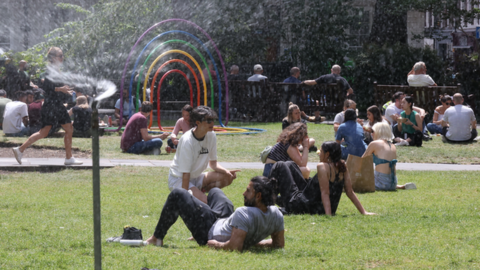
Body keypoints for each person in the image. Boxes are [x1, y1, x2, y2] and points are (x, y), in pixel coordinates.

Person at [145, 176, 285, 251]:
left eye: (248, 191)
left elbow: (234, 248)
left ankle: (157, 238)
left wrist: (217, 245)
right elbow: (278, 244)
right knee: (215, 192)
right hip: (224, 221)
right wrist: (254, 242)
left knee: (178, 193)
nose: (243, 193)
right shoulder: (277, 214)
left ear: (258, 196)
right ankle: (200, 211)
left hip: (208, 231)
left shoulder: (244, 213)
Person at [12, 47, 83, 165]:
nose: (62, 58)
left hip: (53, 105)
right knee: (63, 129)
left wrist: (64, 90)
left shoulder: (55, 70)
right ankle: (68, 158)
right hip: (53, 106)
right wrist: (61, 89)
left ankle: (20, 149)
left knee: (46, 132)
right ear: (54, 58)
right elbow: (45, 87)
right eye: (60, 56)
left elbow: (52, 87)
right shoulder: (51, 70)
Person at [269, 141, 375, 216]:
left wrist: (328, 215)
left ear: (327, 154)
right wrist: (363, 212)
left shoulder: (322, 167)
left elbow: (325, 193)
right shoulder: (342, 166)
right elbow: (350, 192)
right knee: (290, 164)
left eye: (321, 152)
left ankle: (266, 200)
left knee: (280, 165)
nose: (319, 154)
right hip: (313, 204)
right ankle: (275, 199)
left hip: (302, 206)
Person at [168, 106, 240, 204]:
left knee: (228, 177)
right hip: (179, 179)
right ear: (198, 122)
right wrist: (184, 198)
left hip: (196, 177)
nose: (212, 123)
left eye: (213, 120)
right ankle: (197, 197)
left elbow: (213, 164)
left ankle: (200, 192)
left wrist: (226, 171)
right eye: (208, 120)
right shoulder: (187, 141)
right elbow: (185, 174)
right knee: (206, 203)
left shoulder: (211, 135)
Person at [362, 122, 417, 191]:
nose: (371, 134)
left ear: (379, 132)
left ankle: (398, 186)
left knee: (361, 177)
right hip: (393, 182)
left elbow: (361, 161)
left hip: (380, 182)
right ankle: (399, 186)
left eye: (373, 131)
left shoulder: (374, 144)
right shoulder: (392, 145)